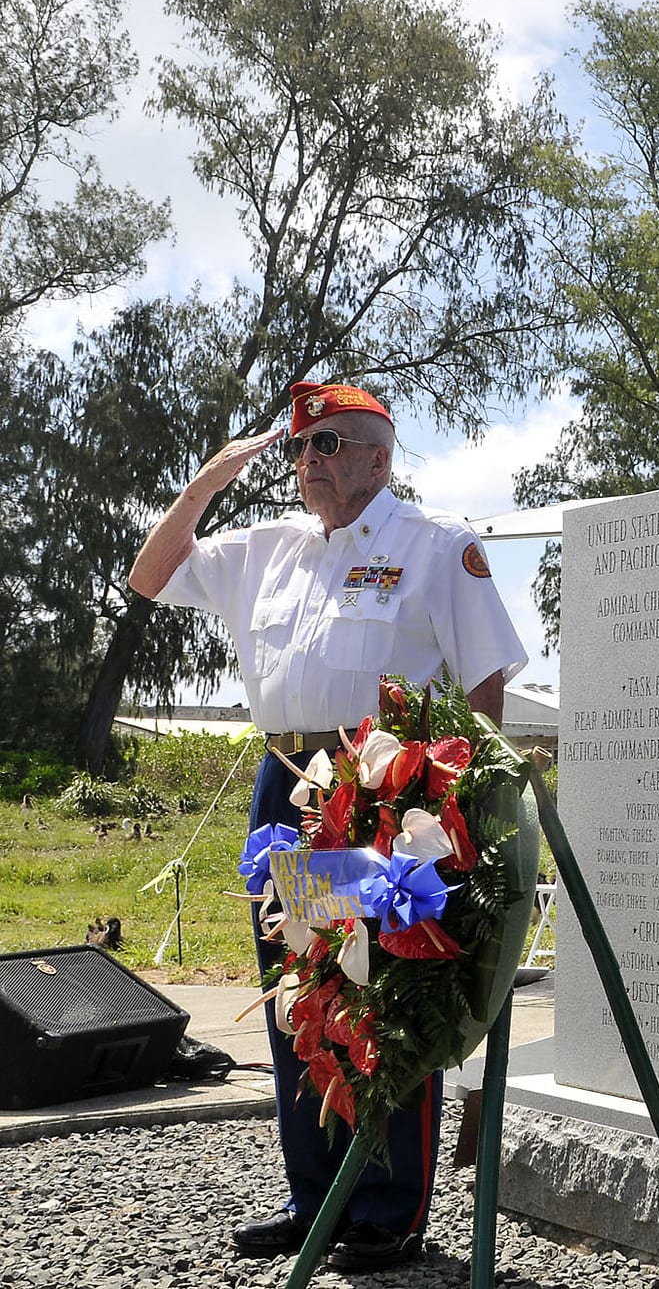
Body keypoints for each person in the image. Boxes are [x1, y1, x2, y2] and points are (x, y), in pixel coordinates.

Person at [129, 381, 526, 1273]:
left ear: (378, 459)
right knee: (297, 999)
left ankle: (388, 1205)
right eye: (301, 448)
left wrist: (440, 812)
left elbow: (484, 691)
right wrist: (203, 485)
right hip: (288, 795)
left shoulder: (434, 548)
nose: (307, 462)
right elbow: (148, 577)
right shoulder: (270, 549)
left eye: (328, 447)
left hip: (376, 789)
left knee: (381, 993)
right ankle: (317, 1194)